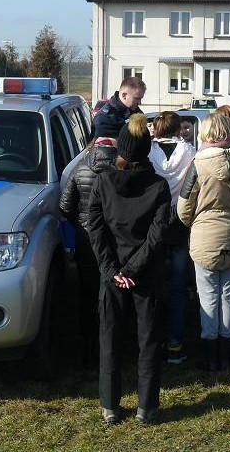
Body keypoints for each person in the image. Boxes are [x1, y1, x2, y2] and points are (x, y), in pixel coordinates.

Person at [87, 113, 171, 425]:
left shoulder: (103, 182)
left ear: (121, 150)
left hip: (115, 272)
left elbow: (95, 230)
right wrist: (132, 269)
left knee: (109, 337)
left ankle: (110, 404)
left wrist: (112, 270)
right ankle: (146, 407)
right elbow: (157, 235)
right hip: (145, 272)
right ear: (147, 150)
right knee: (148, 340)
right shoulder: (159, 186)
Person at [178, 112, 230, 373]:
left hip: (204, 237)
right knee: (228, 295)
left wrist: (197, 223)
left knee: (208, 297)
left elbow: (183, 207)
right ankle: (225, 354)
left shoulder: (197, 163)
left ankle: (210, 353)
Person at [59, 118, 121, 367]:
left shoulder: (80, 167)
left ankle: (87, 347)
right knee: (113, 292)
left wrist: (81, 225)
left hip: (87, 240)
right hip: (115, 240)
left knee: (87, 294)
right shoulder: (121, 167)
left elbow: (65, 206)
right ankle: (113, 346)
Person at [148, 111, 196, 365]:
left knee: (154, 286)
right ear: (179, 129)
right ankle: (176, 343)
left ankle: (151, 341)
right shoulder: (189, 152)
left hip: (154, 224)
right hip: (179, 222)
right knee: (178, 287)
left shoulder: (148, 152)